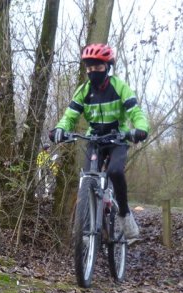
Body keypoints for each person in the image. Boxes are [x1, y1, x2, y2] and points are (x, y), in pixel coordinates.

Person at [49, 43, 149, 240]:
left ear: (107, 68)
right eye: (90, 68)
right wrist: (61, 129)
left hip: (117, 138)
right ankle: (87, 226)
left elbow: (136, 112)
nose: (94, 72)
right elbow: (70, 115)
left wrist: (140, 129)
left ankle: (124, 215)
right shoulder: (84, 90)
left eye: (98, 68)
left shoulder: (119, 87)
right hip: (94, 138)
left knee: (115, 171)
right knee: (88, 178)